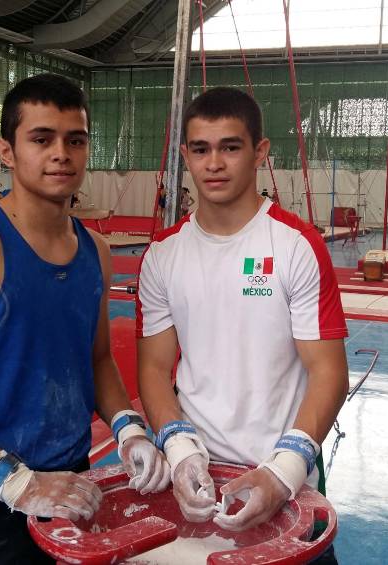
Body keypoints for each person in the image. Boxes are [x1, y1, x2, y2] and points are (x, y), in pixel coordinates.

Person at [0, 74, 170, 563]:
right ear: (6, 150)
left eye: (75, 140)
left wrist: (128, 429)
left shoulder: (95, 251)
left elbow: (99, 358)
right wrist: (14, 483)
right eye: (41, 139)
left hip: (75, 477)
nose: (60, 153)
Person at [137, 86, 349, 547]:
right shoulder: (162, 255)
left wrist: (285, 469)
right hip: (196, 473)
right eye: (201, 149)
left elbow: (328, 371)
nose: (214, 163)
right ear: (185, 156)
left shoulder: (296, 246)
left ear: (259, 152)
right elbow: (153, 368)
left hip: (283, 470)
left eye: (230, 147)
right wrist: (177, 449)